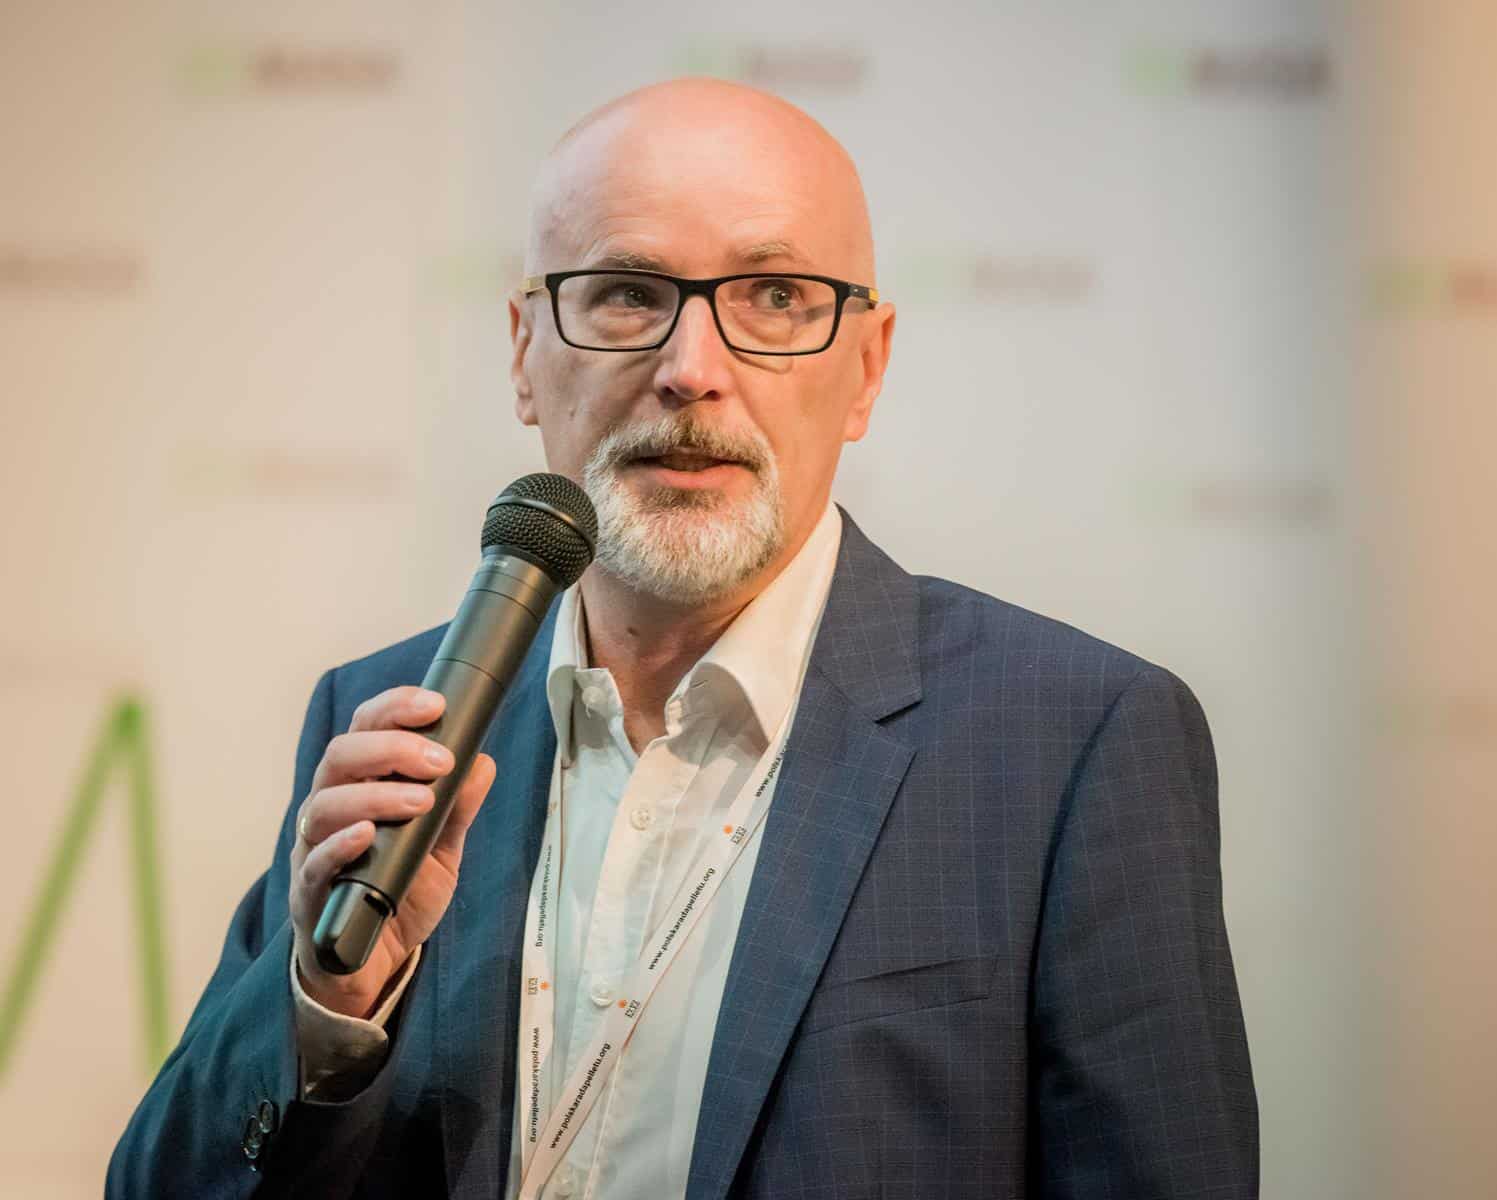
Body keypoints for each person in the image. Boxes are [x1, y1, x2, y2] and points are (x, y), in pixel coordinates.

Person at [108, 78, 1259, 1199]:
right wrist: (330, 1000)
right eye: (624, 293)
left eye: (774, 297)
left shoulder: (1070, 742)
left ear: (865, 367)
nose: (691, 371)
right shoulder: (396, 718)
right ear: (523, 352)